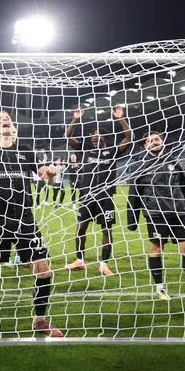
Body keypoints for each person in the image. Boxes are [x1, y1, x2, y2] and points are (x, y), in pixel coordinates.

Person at [0, 111, 62, 339]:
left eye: (8, 118)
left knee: (44, 271)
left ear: (13, 126)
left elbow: (45, 176)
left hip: (25, 219)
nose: (5, 119)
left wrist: (51, 173)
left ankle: (40, 320)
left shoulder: (25, 151)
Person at [126, 132, 185, 304]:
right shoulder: (140, 165)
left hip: (178, 213)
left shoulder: (173, 161)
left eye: (157, 139)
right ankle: (160, 288)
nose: (155, 142)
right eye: (150, 141)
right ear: (145, 146)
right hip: (156, 215)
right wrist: (132, 219)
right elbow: (134, 193)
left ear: (162, 141)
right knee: (156, 251)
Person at [64, 105, 131, 276]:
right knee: (81, 229)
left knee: (106, 230)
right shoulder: (85, 150)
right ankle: (80, 260)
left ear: (105, 138)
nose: (95, 136)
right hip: (86, 196)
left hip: (106, 197)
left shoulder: (112, 151)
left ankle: (104, 264)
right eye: (93, 134)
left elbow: (128, 137)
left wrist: (120, 118)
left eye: (98, 134)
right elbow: (68, 136)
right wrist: (75, 119)